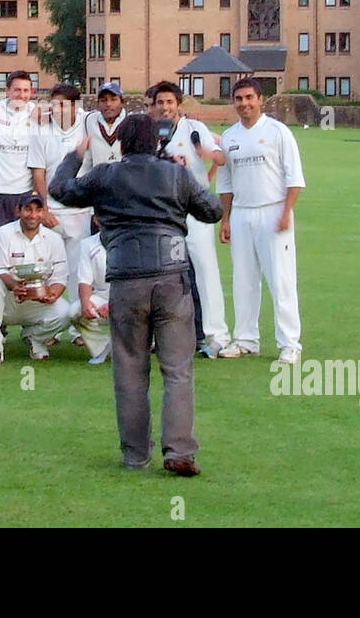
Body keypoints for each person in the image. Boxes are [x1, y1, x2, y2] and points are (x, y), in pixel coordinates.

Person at [50, 115, 223, 476]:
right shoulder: (175, 174)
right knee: (177, 369)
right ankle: (179, 449)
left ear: (121, 145)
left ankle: (135, 454)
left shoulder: (106, 175)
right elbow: (212, 211)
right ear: (157, 142)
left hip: (127, 278)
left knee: (129, 369)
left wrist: (74, 155)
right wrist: (187, 172)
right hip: (171, 275)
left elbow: (60, 189)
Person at [217, 78, 305, 365]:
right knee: (243, 281)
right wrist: (226, 219)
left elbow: (294, 178)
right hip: (242, 213)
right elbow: (226, 182)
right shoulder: (229, 137)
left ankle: (290, 344)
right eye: (239, 99)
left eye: (249, 98)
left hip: (273, 211)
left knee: (281, 281)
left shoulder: (278, 132)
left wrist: (285, 212)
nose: (244, 104)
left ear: (260, 99)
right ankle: (245, 339)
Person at [152, 81, 229, 358]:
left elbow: (220, 159)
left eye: (170, 102)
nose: (165, 107)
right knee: (164, 274)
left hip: (195, 210)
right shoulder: (152, 133)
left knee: (205, 269)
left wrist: (205, 156)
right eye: (160, 102)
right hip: (164, 212)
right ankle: (166, 334)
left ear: (178, 104)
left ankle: (216, 334)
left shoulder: (194, 129)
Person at [0, 193, 74, 366]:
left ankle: (34, 338)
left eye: (38, 210)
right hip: (7, 300)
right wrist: (14, 285)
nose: (33, 215)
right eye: (28, 209)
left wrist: (53, 294)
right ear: (18, 210)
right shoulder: (3, 234)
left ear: (44, 212)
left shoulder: (54, 239)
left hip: (37, 302)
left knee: (66, 312)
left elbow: (60, 277)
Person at [27, 83, 92, 300]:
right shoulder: (41, 130)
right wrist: (44, 209)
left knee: (78, 272)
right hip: (52, 213)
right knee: (45, 270)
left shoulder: (87, 123)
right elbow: (39, 174)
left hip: (81, 211)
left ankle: (77, 330)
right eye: (54, 104)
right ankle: (44, 329)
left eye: (63, 105)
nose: (57, 109)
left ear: (75, 107)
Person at [0, 70, 38, 227]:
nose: (22, 95)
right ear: (7, 91)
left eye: (26, 90)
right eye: (17, 90)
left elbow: (72, 110)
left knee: (21, 245)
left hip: (24, 192)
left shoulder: (38, 113)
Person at [71, 220, 113, 365]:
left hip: (129, 300)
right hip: (101, 300)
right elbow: (85, 280)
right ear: (95, 219)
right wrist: (85, 304)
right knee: (75, 311)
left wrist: (113, 304)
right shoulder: (87, 244)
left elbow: (135, 283)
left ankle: (135, 345)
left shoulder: (131, 241)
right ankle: (103, 348)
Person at [85, 81, 127, 165]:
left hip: (122, 176)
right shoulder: (90, 120)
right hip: (98, 176)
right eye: (103, 100)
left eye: (113, 99)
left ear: (122, 102)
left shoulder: (131, 123)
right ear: (97, 104)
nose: (108, 104)